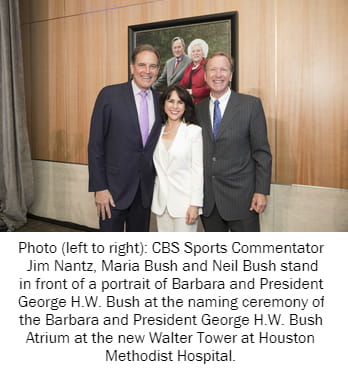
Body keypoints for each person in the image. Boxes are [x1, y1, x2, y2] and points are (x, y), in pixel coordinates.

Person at [88, 44, 162, 232]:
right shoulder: (109, 95)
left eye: (152, 66)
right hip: (112, 192)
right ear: (132, 67)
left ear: (158, 70)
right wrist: (100, 188)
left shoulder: (162, 101)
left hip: (144, 193)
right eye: (142, 65)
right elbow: (95, 145)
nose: (147, 71)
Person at [195, 52, 272, 232]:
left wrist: (261, 191)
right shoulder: (197, 109)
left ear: (231, 75)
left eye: (224, 69)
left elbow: (261, 152)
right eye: (213, 69)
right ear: (205, 76)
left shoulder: (250, 105)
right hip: (209, 201)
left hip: (243, 200)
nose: (218, 74)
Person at [151, 85, 203, 232]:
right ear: (164, 104)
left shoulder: (193, 132)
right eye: (171, 101)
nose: (175, 106)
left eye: (180, 102)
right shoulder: (156, 132)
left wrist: (195, 204)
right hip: (161, 204)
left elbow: (198, 170)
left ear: (186, 106)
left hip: (185, 205)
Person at [180, 38, 210, 103]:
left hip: (203, 103)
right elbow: (182, 84)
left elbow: (210, 88)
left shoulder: (208, 67)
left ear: (203, 53)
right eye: (193, 51)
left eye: (198, 51)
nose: (195, 53)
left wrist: (192, 91)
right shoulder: (189, 67)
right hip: (188, 103)